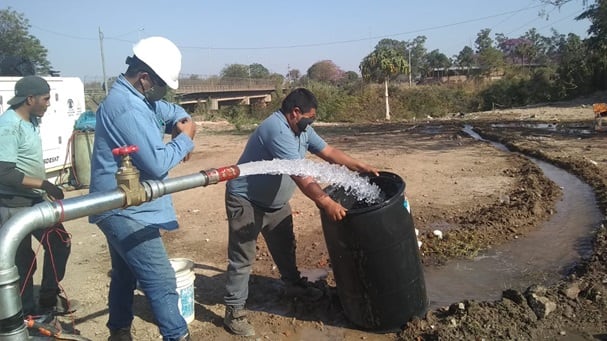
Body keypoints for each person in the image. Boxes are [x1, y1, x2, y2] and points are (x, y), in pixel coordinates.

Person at [223, 88, 379, 336]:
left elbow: (328, 152)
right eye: (310, 116)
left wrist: (359, 165)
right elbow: (301, 176)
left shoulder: (302, 129)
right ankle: (234, 312)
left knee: (286, 248)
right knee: (243, 259)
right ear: (295, 112)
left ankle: (293, 285)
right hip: (246, 201)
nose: (311, 121)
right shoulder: (276, 130)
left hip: (276, 203)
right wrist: (326, 202)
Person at [88, 36, 196, 341]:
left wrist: (182, 122)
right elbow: (157, 163)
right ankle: (177, 336)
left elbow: (171, 111)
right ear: (145, 78)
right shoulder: (127, 109)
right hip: (126, 209)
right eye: (161, 83)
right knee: (161, 280)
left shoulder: (140, 99)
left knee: (124, 274)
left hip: (127, 205)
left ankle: (118, 333)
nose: (163, 90)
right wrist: (185, 138)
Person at [0, 75, 78, 320]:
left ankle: (47, 297)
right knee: (23, 262)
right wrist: (44, 183)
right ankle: (24, 316)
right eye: (45, 99)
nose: (48, 103)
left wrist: (43, 190)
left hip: (34, 200)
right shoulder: (8, 126)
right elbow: (5, 172)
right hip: (13, 205)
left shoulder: (31, 120)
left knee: (59, 242)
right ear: (30, 99)